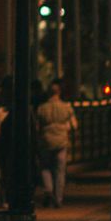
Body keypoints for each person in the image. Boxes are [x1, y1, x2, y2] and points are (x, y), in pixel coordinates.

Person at [35, 78, 76, 209]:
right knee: (60, 171)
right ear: (59, 92)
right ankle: (58, 198)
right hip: (61, 140)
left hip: (46, 140)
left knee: (45, 167)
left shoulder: (42, 108)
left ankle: (48, 189)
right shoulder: (66, 107)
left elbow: (37, 126)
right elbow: (74, 125)